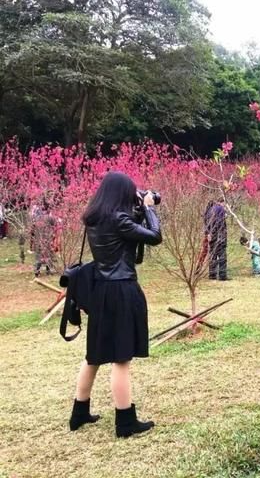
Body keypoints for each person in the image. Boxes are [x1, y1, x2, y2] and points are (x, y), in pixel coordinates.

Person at [68, 171, 162, 438]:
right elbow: (154, 236)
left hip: (101, 291)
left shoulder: (95, 218)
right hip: (122, 289)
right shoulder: (120, 219)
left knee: (94, 355)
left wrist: (139, 209)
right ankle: (125, 420)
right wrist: (148, 208)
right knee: (121, 358)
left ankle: (79, 413)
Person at [204, 198, 228, 280]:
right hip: (219, 234)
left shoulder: (209, 210)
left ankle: (212, 275)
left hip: (211, 235)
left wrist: (208, 233)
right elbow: (220, 222)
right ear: (222, 202)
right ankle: (222, 276)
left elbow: (206, 223)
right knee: (222, 255)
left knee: (213, 255)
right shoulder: (220, 208)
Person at [32, 202, 56, 276]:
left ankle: (37, 270)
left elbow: (32, 229)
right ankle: (48, 270)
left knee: (38, 255)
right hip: (47, 238)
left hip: (38, 238)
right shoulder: (50, 217)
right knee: (48, 254)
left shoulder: (36, 218)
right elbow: (55, 226)